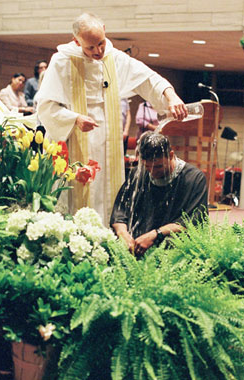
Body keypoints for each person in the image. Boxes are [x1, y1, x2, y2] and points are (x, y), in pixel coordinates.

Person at [37, 12, 187, 226]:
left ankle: (108, 234)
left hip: (108, 142)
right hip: (73, 138)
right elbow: (46, 106)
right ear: (76, 41)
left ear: (105, 31)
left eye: (101, 43)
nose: (98, 51)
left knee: (107, 190)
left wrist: (171, 96)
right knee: (76, 194)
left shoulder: (114, 58)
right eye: (90, 47)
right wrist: (75, 118)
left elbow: (148, 78)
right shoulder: (62, 60)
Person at [110, 131, 208, 256]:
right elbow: (120, 210)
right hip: (138, 240)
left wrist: (156, 234)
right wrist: (123, 233)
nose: (152, 172)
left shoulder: (193, 178)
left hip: (171, 243)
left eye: (158, 167)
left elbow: (193, 221)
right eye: (147, 166)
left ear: (171, 155)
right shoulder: (138, 173)